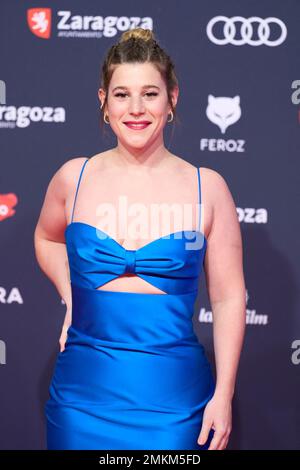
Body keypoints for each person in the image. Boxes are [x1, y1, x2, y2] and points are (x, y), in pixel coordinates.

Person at [34, 27, 246, 450]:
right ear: (103, 101)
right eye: (121, 94)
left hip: (175, 403)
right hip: (82, 400)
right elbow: (47, 238)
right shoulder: (73, 177)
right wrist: (72, 296)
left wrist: (223, 394)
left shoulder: (208, 187)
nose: (135, 109)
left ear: (172, 99)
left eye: (150, 94)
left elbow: (228, 298)